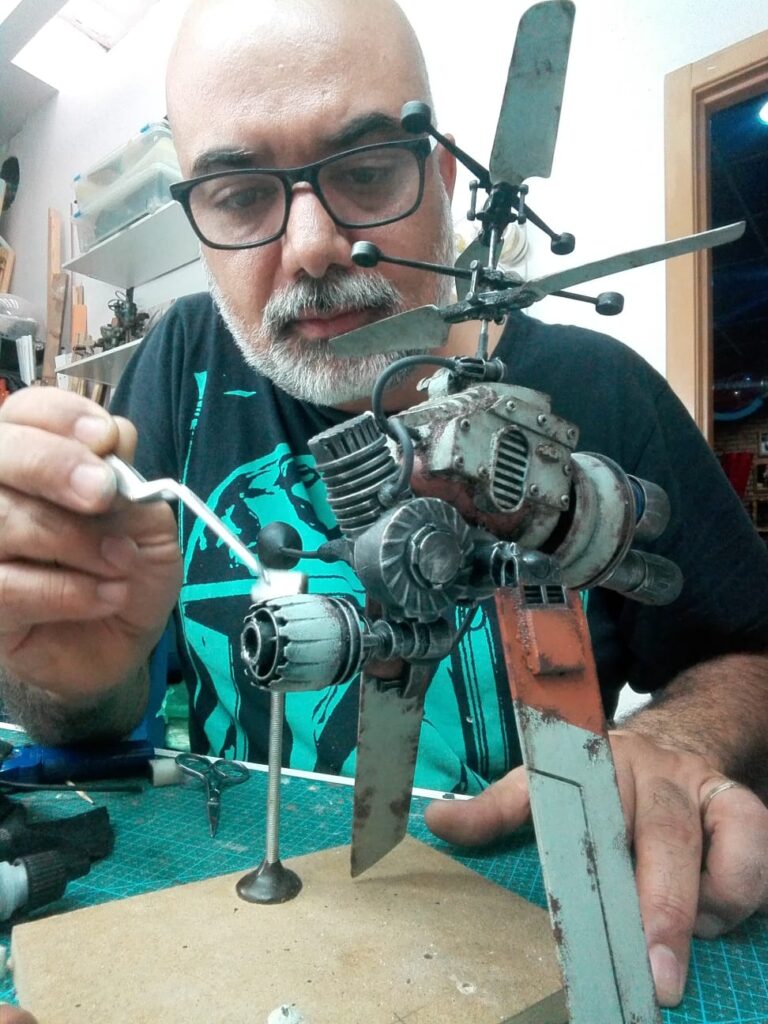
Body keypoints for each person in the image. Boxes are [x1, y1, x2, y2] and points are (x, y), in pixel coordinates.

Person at [0, 0, 766, 1014]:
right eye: (241, 195)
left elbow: (748, 651)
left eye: (364, 172)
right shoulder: (180, 366)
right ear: (198, 219)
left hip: (518, 909)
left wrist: (683, 742)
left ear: (441, 178)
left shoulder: (602, 389)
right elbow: (91, 720)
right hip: (250, 908)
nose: (314, 247)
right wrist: (71, 668)